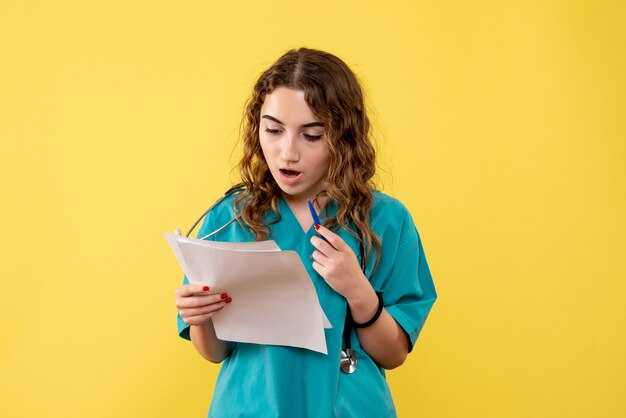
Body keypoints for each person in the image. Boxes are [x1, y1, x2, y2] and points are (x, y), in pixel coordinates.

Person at [174, 47, 437, 417]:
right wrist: (199, 316)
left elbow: (393, 354)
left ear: (342, 138)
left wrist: (358, 291)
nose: (287, 153)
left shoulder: (386, 220)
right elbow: (215, 353)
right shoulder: (230, 218)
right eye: (273, 130)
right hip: (251, 407)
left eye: (311, 136)